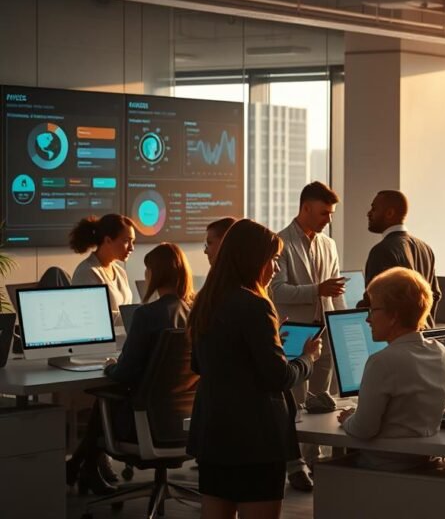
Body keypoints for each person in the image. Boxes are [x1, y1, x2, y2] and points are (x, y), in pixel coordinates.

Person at [187, 219, 322, 519]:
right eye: (272, 260)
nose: (274, 269)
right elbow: (278, 377)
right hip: (255, 439)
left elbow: (201, 364)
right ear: (253, 260)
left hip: (213, 433)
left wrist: (268, 337)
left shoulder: (205, 302)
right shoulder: (256, 306)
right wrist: (307, 358)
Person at [65, 243, 194, 495]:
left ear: (155, 274)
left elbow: (125, 373)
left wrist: (111, 367)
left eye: (147, 270)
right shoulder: (196, 315)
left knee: (104, 400)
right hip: (187, 424)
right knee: (108, 403)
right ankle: (83, 466)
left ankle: (81, 465)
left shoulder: (146, 315)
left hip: (145, 423)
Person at [336, 267, 445, 470]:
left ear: (394, 316)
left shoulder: (383, 361)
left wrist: (348, 419)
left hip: (384, 465)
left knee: (327, 467)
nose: (368, 318)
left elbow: (363, 430)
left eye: (373, 309)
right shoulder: (440, 352)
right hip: (426, 462)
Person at [270, 181, 345, 490]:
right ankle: (294, 466)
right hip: (296, 332)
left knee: (321, 403)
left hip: (325, 332)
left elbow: (337, 291)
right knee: (296, 403)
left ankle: (314, 461)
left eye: (330, 214)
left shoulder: (328, 244)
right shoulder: (281, 242)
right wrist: (317, 289)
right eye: (324, 213)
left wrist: (341, 325)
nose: (328, 219)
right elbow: (278, 291)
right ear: (306, 208)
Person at [361, 190, 441, 326]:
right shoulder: (425, 248)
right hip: (422, 334)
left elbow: (375, 299)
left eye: (374, 209)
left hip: (397, 336)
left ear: (390, 213)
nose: (369, 213)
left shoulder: (382, 251)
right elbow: (435, 295)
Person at [69, 214, 136, 309]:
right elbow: (91, 314)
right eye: (126, 241)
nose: (131, 248)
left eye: (133, 242)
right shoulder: (86, 272)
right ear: (108, 240)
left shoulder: (120, 272)